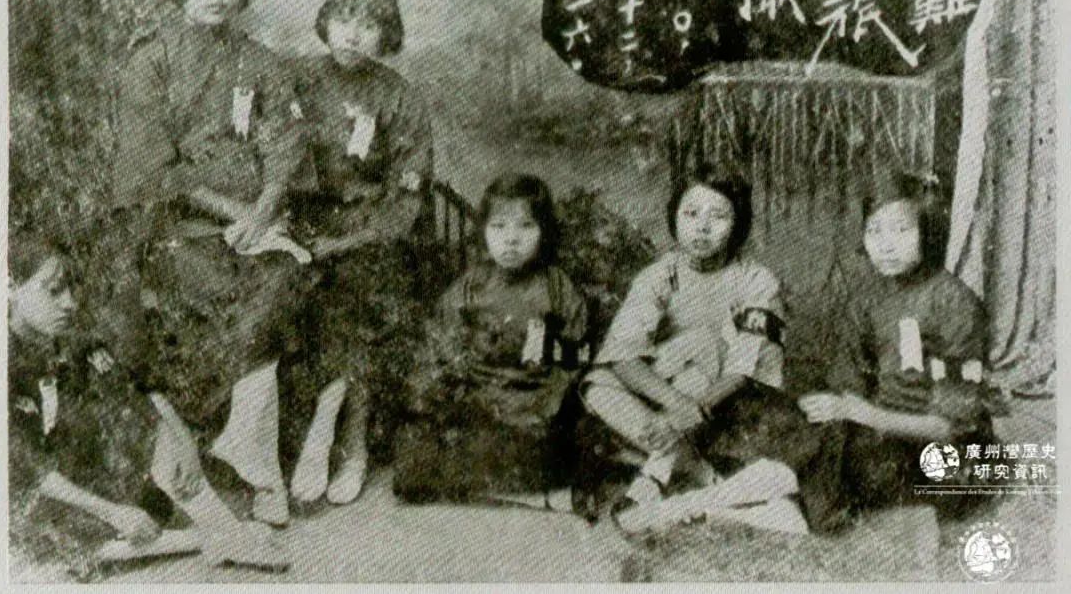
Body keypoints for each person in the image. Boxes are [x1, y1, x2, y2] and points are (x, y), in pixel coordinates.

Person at [109, 0, 308, 527]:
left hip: (257, 223)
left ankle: (242, 450)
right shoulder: (151, 60)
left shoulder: (261, 62)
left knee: (284, 273)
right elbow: (152, 170)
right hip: (176, 228)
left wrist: (263, 210)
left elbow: (286, 145)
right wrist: (234, 214)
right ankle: (256, 471)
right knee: (224, 287)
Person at [8, 234, 287, 570]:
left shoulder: (65, 334)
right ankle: (212, 537)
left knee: (122, 406)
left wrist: (184, 442)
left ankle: (222, 530)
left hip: (77, 471)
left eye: (68, 289)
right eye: (53, 291)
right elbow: (26, 469)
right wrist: (113, 513)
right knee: (54, 542)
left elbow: (141, 383)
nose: (68, 302)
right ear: (9, 286)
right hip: (29, 493)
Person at [578, 168, 819, 535]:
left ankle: (654, 476)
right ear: (674, 218)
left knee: (704, 344)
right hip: (678, 401)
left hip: (734, 400)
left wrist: (687, 409)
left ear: (737, 224)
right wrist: (677, 406)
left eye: (718, 216)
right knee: (598, 384)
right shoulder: (660, 275)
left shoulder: (757, 280)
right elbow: (623, 354)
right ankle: (692, 468)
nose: (702, 227)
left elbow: (743, 370)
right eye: (691, 214)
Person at [280, 0, 433, 507]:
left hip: (371, 234)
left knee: (361, 287)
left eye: (369, 25)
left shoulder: (400, 96)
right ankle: (337, 437)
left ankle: (339, 435)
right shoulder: (297, 81)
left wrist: (350, 240)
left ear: (386, 34)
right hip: (302, 224)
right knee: (295, 286)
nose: (352, 34)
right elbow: (270, 158)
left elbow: (408, 195)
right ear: (326, 22)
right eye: (344, 19)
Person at [798, 169, 997, 528]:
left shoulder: (956, 304)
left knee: (854, 470)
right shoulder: (866, 299)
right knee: (807, 437)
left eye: (901, 230)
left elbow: (952, 426)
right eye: (874, 231)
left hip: (942, 447)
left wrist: (866, 416)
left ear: (928, 231)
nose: (886, 245)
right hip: (881, 434)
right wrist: (839, 410)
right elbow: (848, 386)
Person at [391, 174, 588, 506]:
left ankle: (506, 485)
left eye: (526, 226)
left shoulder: (556, 287)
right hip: (479, 398)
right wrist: (451, 387)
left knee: (558, 446)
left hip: (533, 401)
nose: (511, 239)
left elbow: (573, 354)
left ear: (544, 231)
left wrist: (550, 394)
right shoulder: (471, 286)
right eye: (498, 227)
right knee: (419, 453)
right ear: (483, 231)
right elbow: (441, 347)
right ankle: (505, 486)